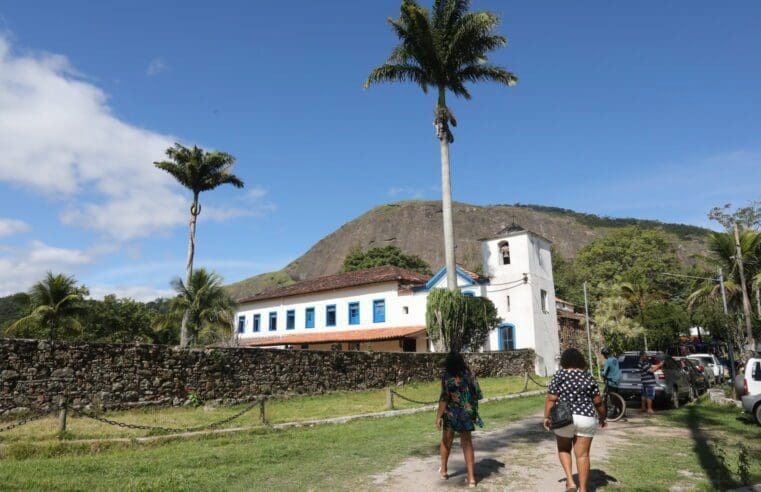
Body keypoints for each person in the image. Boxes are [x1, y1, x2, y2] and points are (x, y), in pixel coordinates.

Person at [543, 348, 607, 492]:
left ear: (564, 361)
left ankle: (571, 482)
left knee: (564, 448)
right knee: (583, 455)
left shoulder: (560, 375)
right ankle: (583, 489)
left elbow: (551, 398)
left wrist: (546, 417)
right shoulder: (588, 376)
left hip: (564, 417)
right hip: (586, 417)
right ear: (580, 360)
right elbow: (597, 401)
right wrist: (603, 417)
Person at [436, 351, 483, 488]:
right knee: (467, 444)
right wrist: (472, 409)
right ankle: (471, 478)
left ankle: (444, 471)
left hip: (451, 413)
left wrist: (438, 416)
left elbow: (444, 398)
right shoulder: (470, 374)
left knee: (446, 440)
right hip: (466, 412)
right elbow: (477, 394)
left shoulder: (446, 377)